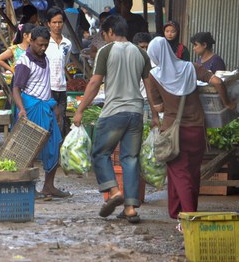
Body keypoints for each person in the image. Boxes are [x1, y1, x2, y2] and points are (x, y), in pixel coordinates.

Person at [73, 15, 157, 223]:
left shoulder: (106, 51)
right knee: (130, 159)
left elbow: (94, 83)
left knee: (100, 153)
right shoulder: (140, 53)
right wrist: (155, 115)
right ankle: (130, 208)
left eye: (104, 34)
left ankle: (113, 191)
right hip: (136, 113)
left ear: (110, 32)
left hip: (114, 113)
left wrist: (80, 109)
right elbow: (149, 87)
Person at [146, 37, 235, 221]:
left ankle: (189, 217)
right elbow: (217, 82)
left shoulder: (154, 75)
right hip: (196, 130)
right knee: (191, 175)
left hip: (172, 132)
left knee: (179, 175)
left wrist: (168, 102)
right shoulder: (191, 67)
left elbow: (158, 108)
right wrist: (227, 103)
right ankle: (176, 211)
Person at [13, 26, 66, 198]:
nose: (43, 48)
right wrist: (21, 109)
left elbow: (45, 85)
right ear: (31, 41)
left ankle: (48, 186)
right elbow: (16, 89)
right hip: (31, 108)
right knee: (30, 149)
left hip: (46, 106)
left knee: (54, 145)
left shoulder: (46, 59)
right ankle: (29, 187)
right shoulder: (24, 62)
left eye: (46, 45)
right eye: (40, 45)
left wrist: (55, 107)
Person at [45, 7, 72, 138]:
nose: (57, 25)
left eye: (60, 22)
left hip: (61, 87)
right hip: (46, 88)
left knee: (60, 120)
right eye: (54, 22)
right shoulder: (44, 42)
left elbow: (64, 63)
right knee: (47, 122)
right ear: (48, 24)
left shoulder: (67, 43)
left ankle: (58, 152)